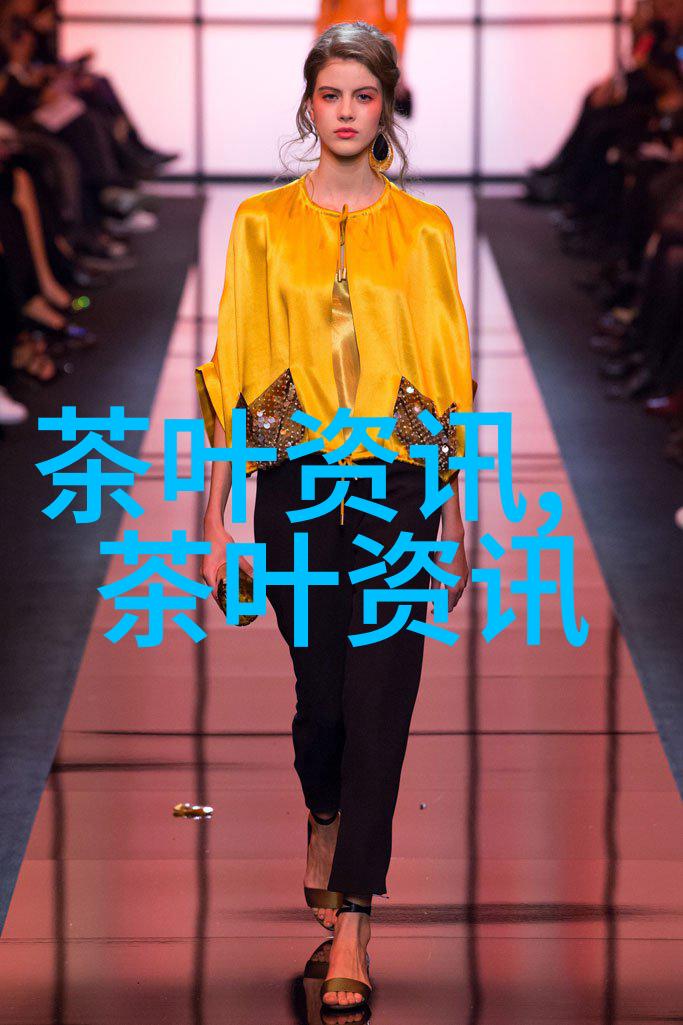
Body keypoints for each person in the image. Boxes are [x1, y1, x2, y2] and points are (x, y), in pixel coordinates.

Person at [196, 20, 474, 1011]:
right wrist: (215, 513)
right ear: (308, 105)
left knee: (380, 701)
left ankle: (354, 914)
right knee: (321, 704)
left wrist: (457, 514)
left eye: (364, 95)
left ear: (385, 106)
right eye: (331, 95)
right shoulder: (261, 223)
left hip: (397, 490)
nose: (347, 112)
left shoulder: (425, 230)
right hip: (297, 485)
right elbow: (235, 366)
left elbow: (442, 376)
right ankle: (324, 805)